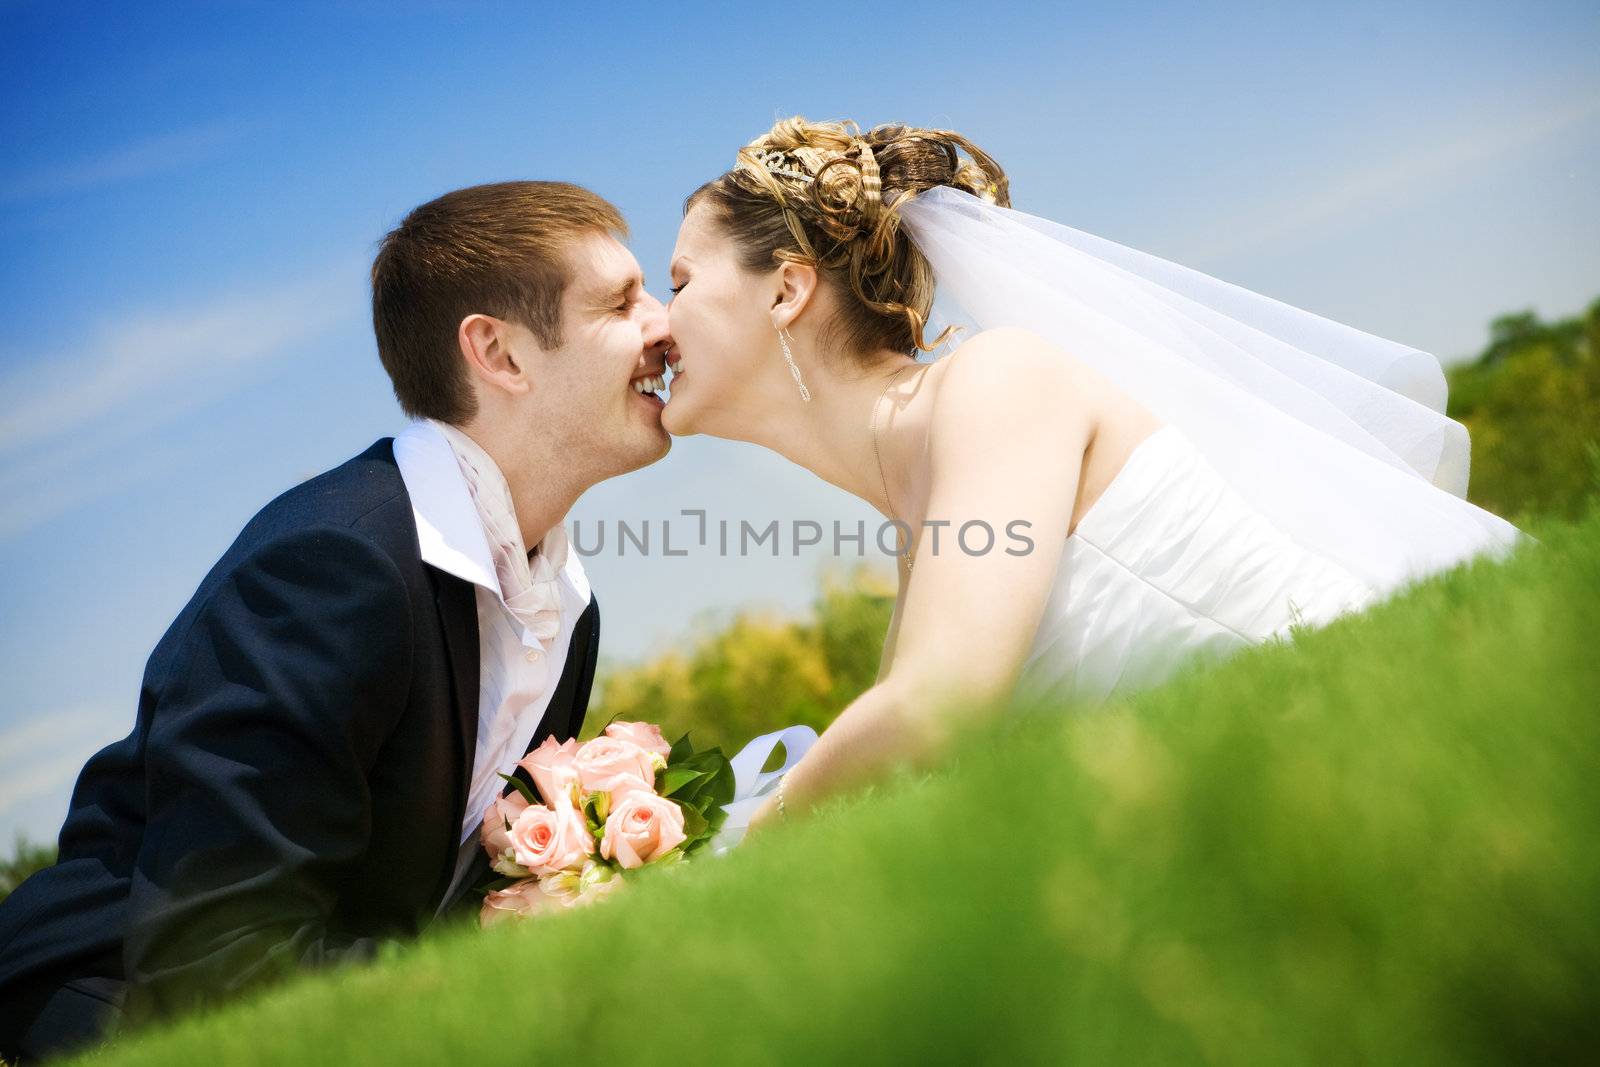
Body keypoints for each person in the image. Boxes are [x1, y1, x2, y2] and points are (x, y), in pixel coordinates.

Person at [659, 117, 1522, 834]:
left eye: (681, 282)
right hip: (1285, 796)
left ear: (784, 293)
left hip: (1400, 747)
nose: (660, 326)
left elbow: (937, 701)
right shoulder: (921, 528)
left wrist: (743, 845)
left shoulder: (998, 383)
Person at [0, 180, 675, 1063]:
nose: (665, 324)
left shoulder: (565, 605)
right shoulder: (332, 565)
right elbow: (214, 957)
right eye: (622, 303)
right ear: (500, 353)